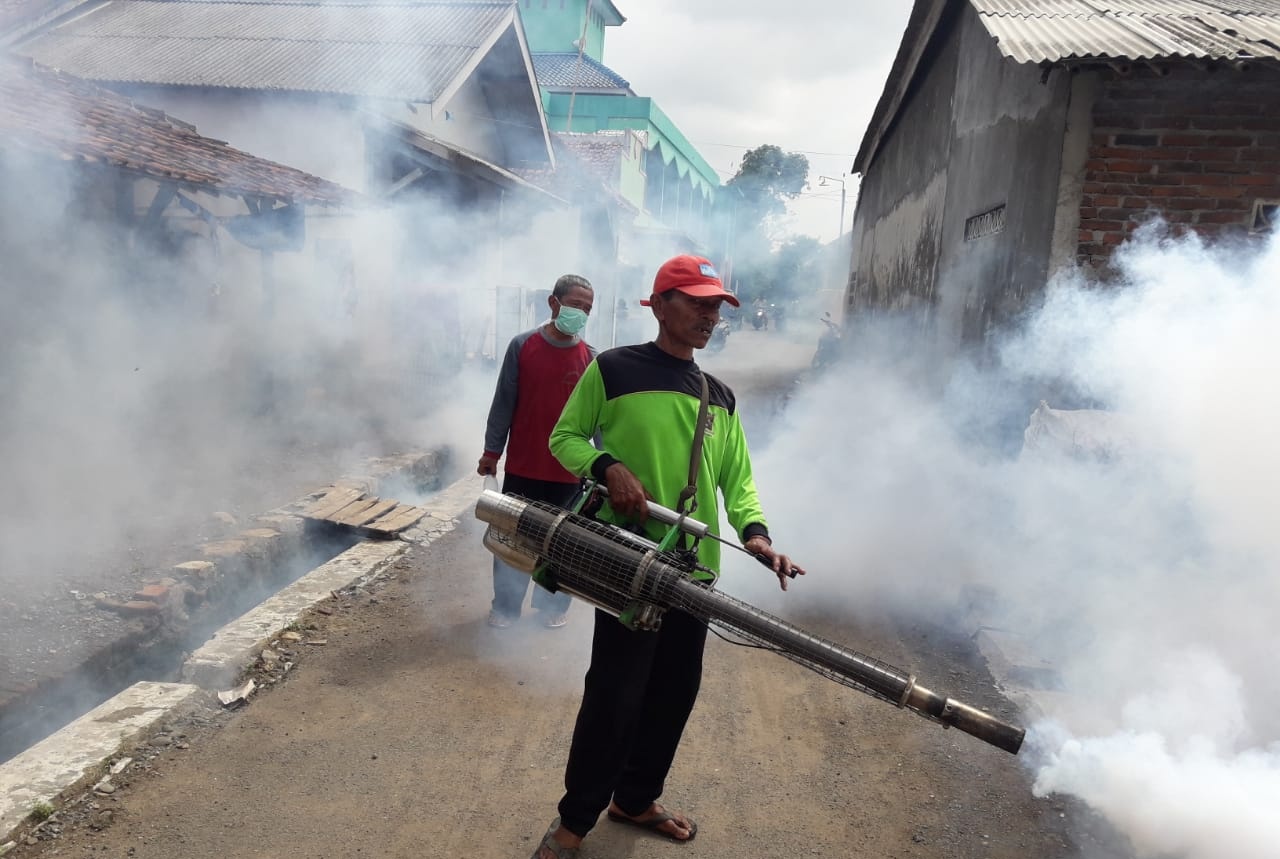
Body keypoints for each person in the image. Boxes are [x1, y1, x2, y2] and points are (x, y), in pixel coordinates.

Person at [529, 254, 805, 858]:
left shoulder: (720, 395)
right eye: (698, 303)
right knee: (614, 693)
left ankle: (635, 797)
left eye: (716, 307)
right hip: (627, 562)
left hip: (695, 569)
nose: (710, 316)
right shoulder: (613, 369)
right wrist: (610, 468)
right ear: (659, 305)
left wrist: (756, 534)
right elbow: (565, 437)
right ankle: (575, 820)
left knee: (674, 691)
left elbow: (738, 479)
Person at [478, 274, 596, 629]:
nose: (581, 312)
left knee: (562, 545)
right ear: (554, 303)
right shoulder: (522, 346)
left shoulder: (591, 358)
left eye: (588, 308)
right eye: (576, 304)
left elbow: (600, 421)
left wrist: (602, 469)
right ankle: (506, 608)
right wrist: (491, 452)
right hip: (524, 467)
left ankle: (552, 608)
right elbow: (504, 403)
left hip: (569, 474)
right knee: (511, 540)